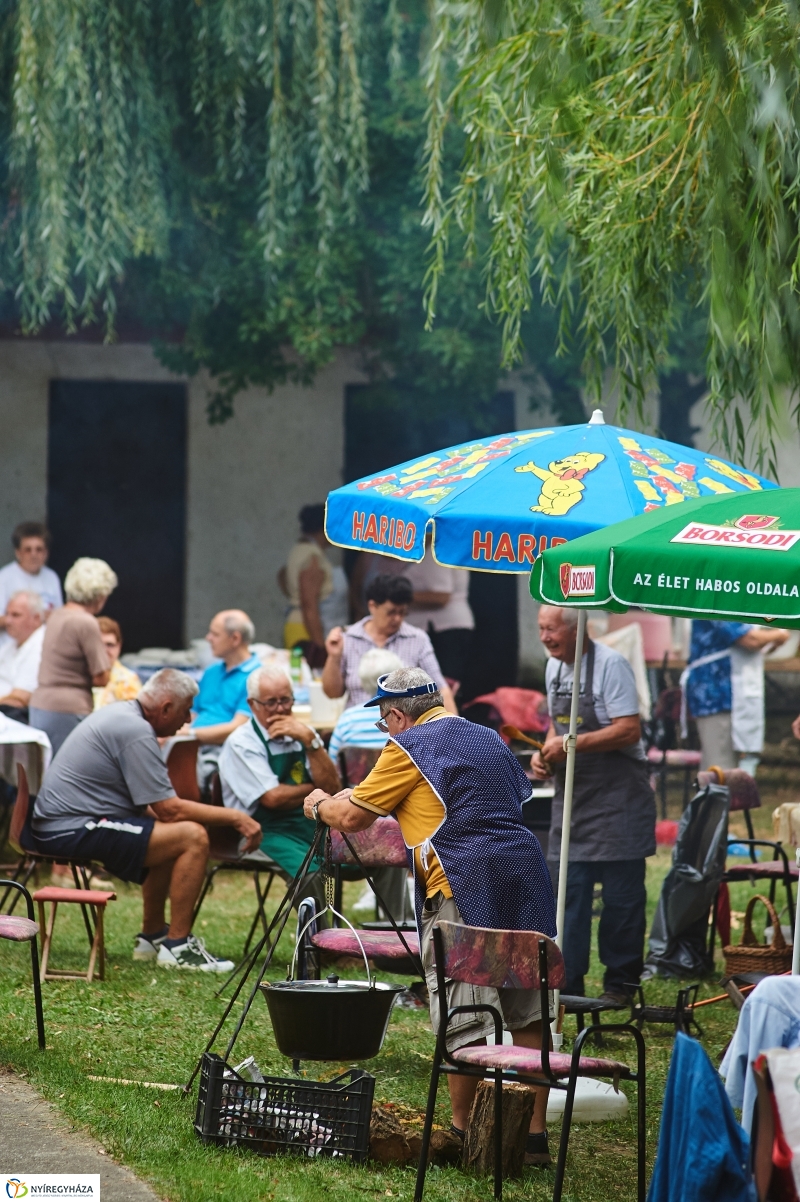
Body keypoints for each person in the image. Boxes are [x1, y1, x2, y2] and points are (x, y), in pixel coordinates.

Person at [303, 667, 557, 1165]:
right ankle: (533, 1138)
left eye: (384, 721)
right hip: (524, 874)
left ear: (398, 715)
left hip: (461, 878)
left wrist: (318, 805)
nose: (385, 730)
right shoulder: (487, 737)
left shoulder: (407, 747)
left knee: (465, 1011)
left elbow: (352, 817)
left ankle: (464, 1135)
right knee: (529, 1009)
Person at [30, 668, 261, 972]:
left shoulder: (125, 716)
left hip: (64, 824)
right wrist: (236, 817)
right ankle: (178, 947)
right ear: (165, 708)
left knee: (173, 833)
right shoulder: (135, 729)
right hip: (70, 828)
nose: (188, 719)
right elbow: (169, 809)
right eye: (185, 710)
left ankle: (153, 937)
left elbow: (159, 811)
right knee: (192, 837)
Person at [531, 605, 656, 1005]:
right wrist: (544, 754)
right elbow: (557, 727)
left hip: (619, 796)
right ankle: (567, 985)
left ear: (577, 629)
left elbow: (628, 729)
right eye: (541, 628)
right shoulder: (554, 668)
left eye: (551, 629)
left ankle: (621, 985)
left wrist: (569, 744)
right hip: (574, 798)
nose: (544, 637)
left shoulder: (611, 665)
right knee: (568, 895)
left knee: (622, 898)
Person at [219, 665, 341, 904]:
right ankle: (316, 930)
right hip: (262, 832)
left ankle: (399, 924)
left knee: (379, 852)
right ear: (252, 704)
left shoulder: (304, 734)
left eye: (285, 700)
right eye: (271, 702)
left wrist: (311, 742)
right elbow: (273, 798)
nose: (281, 709)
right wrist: (314, 789)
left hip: (310, 824)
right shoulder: (242, 742)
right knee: (309, 873)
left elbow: (332, 786)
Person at [322, 574, 457, 712]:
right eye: (391, 612)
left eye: (402, 612)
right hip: (358, 720)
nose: (397, 618)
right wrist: (334, 657)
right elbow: (332, 694)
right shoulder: (349, 638)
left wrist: (453, 723)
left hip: (403, 722)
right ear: (372, 606)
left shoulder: (417, 639)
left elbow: (440, 689)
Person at [356, 541, 475, 688]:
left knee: (443, 684)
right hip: (443, 628)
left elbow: (442, 596)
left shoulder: (435, 554)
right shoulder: (431, 553)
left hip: (444, 630)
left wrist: (394, 597)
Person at [28, 557, 115, 757]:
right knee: (70, 770)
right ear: (100, 595)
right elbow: (102, 677)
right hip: (68, 710)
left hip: (40, 705)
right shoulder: (86, 622)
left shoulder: (56, 615)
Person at [685, 619, 787, 773]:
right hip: (716, 694)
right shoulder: (718, 604)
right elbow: (750, 639)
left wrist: (769, 639)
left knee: (728, 766)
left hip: (735, 692)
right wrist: (779, 634)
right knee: (720, 768)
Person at [189, 610, 261, 792]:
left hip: (226, 751)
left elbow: (238, 727)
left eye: (215, 634)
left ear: (235, 639)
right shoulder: (210, 672)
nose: (208, 638)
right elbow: (192, 714)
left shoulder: (257, 677)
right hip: (190, 746)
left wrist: (189, 734)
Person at [280, 504, 350, 657]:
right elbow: (309, 604)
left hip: (298, 624)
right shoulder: (312, 556)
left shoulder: (300, 549)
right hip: (305, 630)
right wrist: (320, 647)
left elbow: (281, 575)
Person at [327, 648, 404, 760]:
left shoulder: (347, 719)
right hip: (395, 771)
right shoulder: (403, 719)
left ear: (362, 681)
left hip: (355, 771)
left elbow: (333, 762)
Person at [0, 521, 63, 631]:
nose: (34, 555)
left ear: (46, 553)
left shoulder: (52, 577)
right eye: (28, 550)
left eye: (39, 549)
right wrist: (24, 618)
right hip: (13, 641)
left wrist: (51, 617)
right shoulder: (4, 578)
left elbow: (60, 615)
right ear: (18, 553)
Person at [0, 591, 46, 723]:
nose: (8, 621)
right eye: (7, 614)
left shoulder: (41, 645)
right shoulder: (11, 644)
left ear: (36, 618)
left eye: (16, 615)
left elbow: (19, 699)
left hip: (14, 718)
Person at [93, 617, 142, 708]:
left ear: (119, 646)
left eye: (110, 645)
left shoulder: (128, 680)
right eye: (99, 645)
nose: (104, 650)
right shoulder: (77, 676)